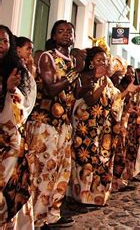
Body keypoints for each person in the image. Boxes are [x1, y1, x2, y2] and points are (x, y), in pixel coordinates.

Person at [26, 20, 85, 228]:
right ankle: (37, 216)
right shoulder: (46, 57)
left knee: (62, 170)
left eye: (70, 31)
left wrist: (82, 72)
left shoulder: (71, 61)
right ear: (53, 36)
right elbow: (51, 88)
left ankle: (53, 214)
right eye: (61, 31)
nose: (67, 34)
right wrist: (75, 72)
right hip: (46, 124)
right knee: (44, 169)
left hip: (64, 125)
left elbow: (77, 93)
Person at [71, 47, 136, 207]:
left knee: (102, 162)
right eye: (99, 60)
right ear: (91, 62)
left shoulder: (108, 81)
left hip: (104, 128)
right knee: (87, 160)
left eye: (105, 60)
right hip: (87, 127)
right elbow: (91, 100)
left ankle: (97, 196)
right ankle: (82, 197)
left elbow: (115, 100)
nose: (103, 63)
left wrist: (127, 92)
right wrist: (98, 79)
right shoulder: (85, 77)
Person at [0, 25, 36, 229]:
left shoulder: (16, 70)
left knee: (12, 189)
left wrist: (11, 90)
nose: (1, 45)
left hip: (10, 145)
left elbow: (21, 110)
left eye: (5, 41)